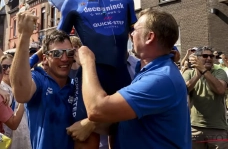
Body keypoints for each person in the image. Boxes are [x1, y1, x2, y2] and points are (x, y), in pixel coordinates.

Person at [58, 0, 137, 148]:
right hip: (91, 78)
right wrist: (33, 62)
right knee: (85, 138)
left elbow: (137, 33)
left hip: (122, 77)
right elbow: (56, 42)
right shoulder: (72, 2)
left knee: (123, 139)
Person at [78, 8, 191, 148]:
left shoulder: (160, 79)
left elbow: (97, 109)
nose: (130, 35)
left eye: (134, 30)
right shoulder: (147, 71)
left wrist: (87, 61)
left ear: (149, 37)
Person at [11, 12, 81, 149]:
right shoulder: (40, 80)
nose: (65, 59)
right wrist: (24, 36)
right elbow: (21, 93)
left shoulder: (77, 85)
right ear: (45, 59)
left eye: (69, 53)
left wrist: (91, 123)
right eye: (57, 54)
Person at [0, 54, 32, 149]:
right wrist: (23, 100)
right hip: (5, 139)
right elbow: (13, 123)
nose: (7, 70)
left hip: (22, 135)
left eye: (11, 66)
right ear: (0, 74)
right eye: (4, 67)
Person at [183, 46, 228, 149]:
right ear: (197, 58)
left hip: (217, 127)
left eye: (211, 56)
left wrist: (203, 70)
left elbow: (220, 89)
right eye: (205, 56)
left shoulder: (219, 72)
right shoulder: (189, 73)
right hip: (195, 127)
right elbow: (184, 91)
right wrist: (198, 75)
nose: (209, 58)